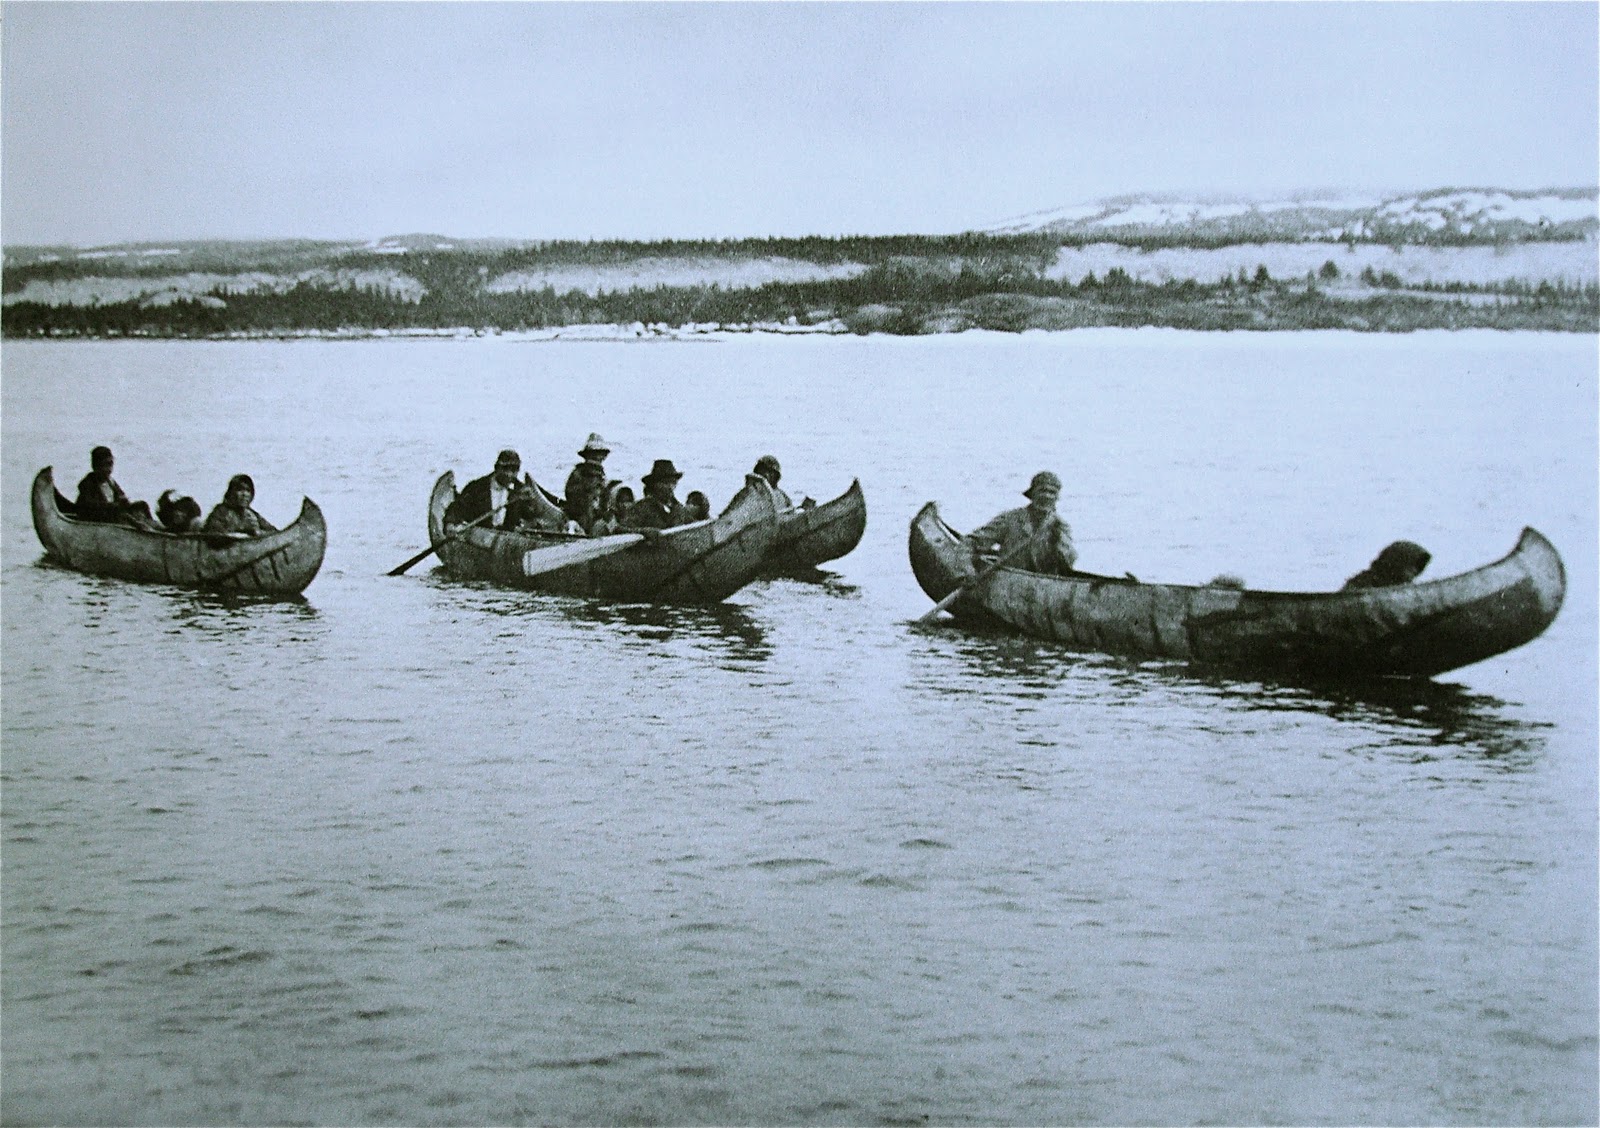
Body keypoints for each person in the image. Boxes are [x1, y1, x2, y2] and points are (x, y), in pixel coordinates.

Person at [964, 471, 1078, 576]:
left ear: (1057, 498)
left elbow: (1068, 564)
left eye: (1052, 492)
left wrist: (1060, 542)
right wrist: (966, 572)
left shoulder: (1061, 527)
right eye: (1042, 490)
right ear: (1032, 494)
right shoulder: (1011, 519)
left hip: (1043, 587)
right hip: (1008, 583)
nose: (1046, 496)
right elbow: (970, 542)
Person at [444, 449, 529, 530]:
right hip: (478, 536)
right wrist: (450, 524)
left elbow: (531, 516)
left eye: (514, 470)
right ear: (496, 468)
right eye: (505, 469)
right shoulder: (477, 487)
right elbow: (457, 508)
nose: (509, 474)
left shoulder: (521, 492)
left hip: (507, 538)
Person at [74, 446, 152, 526]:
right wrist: (115, 506)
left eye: (110, 465)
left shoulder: (110, 482)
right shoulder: (87, 484)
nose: (109, 470)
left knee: (142, 505)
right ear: (95, 466)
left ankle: (152, 525)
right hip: (102, 519)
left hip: (115, 513)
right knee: (123, 515)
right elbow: (89, 507)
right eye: (105, 465)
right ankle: (143, 527)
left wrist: (124, 502)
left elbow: (121, 498)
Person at [563, 433, 611, 530]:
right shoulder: (578, 473)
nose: (598, 457)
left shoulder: (601, 475)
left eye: (600, 454)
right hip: (581, 519)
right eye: (594, 454)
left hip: (596, 519)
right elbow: (571, 497)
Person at [203, 474, 278, 537]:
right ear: (232, 492)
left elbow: (274, 533)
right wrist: (243, 532)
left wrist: (258, 532)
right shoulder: (221, 512)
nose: (244, 494)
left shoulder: (252, 514)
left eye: (248, 490)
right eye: (240, 490)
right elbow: (213, 535)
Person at [623, 459, 688, 530]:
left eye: (673, 483)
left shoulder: (680, 509)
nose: (670, 487)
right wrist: (645, 531)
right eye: (665, 483)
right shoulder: (641, 508)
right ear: (654, 484)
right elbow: (624, 530)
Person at [1342, 540, 1431, 590]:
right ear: (1397, 564)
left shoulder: (1407, 591)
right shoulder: (1362, 584)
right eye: (1411, 566)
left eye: (1417, 567)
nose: (1414, 571)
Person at [750, 455, 815, 511]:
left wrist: (803, 509)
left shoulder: (783, 497)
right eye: (762, 470)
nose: (766, 475)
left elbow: (790, 514)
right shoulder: (750, 494)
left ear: (776, 476)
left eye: (770, 472)